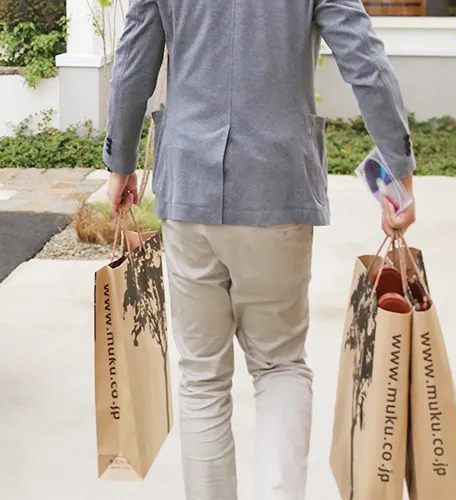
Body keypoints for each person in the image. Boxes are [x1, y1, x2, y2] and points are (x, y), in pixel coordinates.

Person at [103, 0, 416, 498]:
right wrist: (397, 171)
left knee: (202, 377)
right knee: (280, 365)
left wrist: (120, 162)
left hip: (189, 184)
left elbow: (133, 60)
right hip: (277, 184)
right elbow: (365, 60)